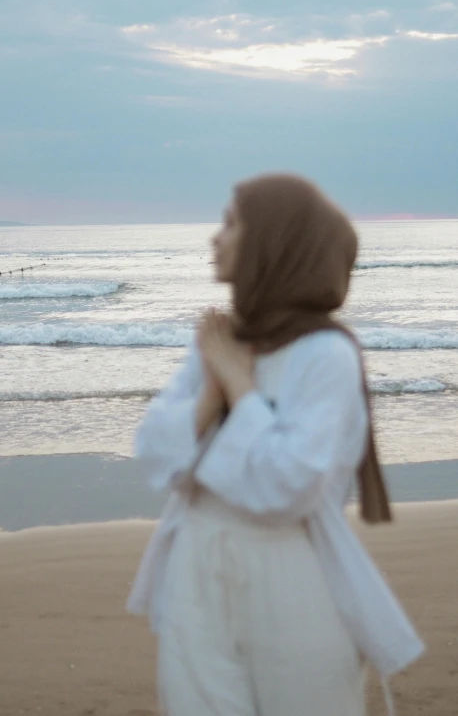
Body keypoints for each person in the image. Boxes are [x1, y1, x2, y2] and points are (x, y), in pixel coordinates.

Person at [127, 174, 424, 716]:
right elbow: (151, 448)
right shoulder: (221, 342)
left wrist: (240, 388)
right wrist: (211, 394)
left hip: (291, 569)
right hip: (197, 559)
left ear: (274, 241)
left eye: (232, 224)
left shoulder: (326, 355)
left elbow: (286, 487)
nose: (214, 238)